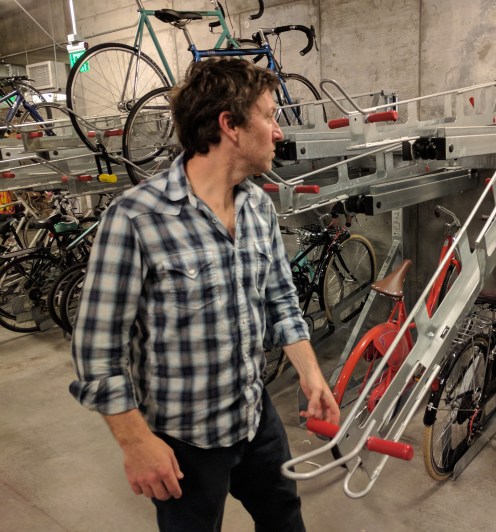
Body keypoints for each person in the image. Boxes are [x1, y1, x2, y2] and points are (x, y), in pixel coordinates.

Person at [70, 58, 340, 531]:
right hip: (184, 441)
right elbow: (97, 353)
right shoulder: (136, 218)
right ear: (230, 125)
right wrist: (136, 444)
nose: (279, 132)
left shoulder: (256, 205)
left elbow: (281, 302)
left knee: (285, 520)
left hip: (255, 417)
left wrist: (311, 375)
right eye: (271, 115)